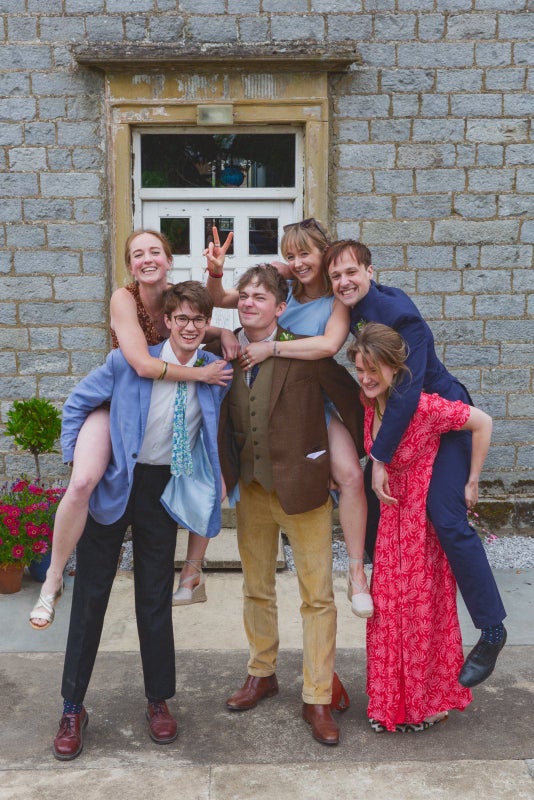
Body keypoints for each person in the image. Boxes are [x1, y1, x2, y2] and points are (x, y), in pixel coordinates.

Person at [52, 282, 231, 760]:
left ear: (207, 324)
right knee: (91, 596)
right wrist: (79, 464)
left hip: (161, 487)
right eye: (181, 319)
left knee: (154, 598)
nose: (189, 327)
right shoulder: (127, 362)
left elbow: (222, 430)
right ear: (167, 322)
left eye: (198, 320)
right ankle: (72, 707)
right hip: (116, 481)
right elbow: (77, 403)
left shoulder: (216, 373)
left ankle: (158, 700)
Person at [29, 230, 235, 629]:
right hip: (115, 405)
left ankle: (192, 571)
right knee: (83, 480)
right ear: (130, 265)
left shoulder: (175, 298)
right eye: (138, 254)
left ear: (169, 260)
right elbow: (141, 364)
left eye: (155, 251)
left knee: (211, 480)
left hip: (154, 415)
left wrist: (224, 331)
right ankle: (53, 579)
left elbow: (196, 321)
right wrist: (201, 374)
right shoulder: (124, 299)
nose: (147, 259)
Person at [325, 240, 507, 689]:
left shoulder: (400, 314)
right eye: (335, 276)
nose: (343, 282)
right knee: (369, 504)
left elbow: (407, 392)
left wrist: (380, 457)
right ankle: (391, 592)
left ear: (370, 271)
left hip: (443, 420)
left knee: (446, 517)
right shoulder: (353, 304)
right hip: (404, 422)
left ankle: (492, 629)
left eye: (351, 272)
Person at [217, 264, 365, 746]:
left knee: (317, 598)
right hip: (253, 490)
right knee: (256, 588)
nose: (249, 302)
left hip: (304, 491)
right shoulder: (225, 351)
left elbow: (354, 398)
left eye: (260, 296)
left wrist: (343, 458)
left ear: (280, 308)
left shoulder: (306, 351)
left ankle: (317, 697)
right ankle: (262, 673)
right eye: (244, 295)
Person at [206, 219, 372, 618]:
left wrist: (273, 349)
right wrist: (215, 272)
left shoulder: (336, 297)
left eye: (305, 254)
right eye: (291, 255)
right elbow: (223, 299)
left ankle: (356, 572)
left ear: (325, 253)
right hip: (270, 396)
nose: (297, 262)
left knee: (350, 474)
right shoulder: (283, 282)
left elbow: (329, 345)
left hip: (311, 395)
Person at [348, 322, 494, 732]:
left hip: (421, 526)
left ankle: (429, 705)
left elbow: (483, 422)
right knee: (387, 615)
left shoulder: (426, 407)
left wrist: (472, 480)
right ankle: (389, 705)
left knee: (421, 614)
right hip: (389, 525)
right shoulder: (369, 403)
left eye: (373, 370)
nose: (365, 378)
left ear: (395, 367)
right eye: (359, 369)